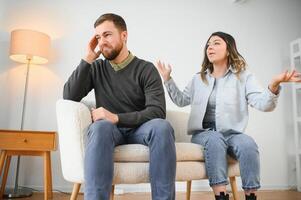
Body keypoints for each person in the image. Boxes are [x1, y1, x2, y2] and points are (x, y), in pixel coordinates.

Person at [156, 31, 301, 200]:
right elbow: (181, 100)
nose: (210, 47)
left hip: (232, 133)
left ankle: (251, 196)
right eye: (208, 44)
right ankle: (221, 196)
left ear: (229, 49)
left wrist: (274, 85)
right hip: (204, 134)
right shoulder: (198, 79)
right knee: (215, 140)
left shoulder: (244, 77)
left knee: (248, 144)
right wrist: (167, 79)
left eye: (216, 43)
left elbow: (264, 104)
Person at [63, 13, 176, 200]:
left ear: (124, 35)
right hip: (109, 131)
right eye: (98, 37)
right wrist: (87, 58)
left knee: (162, 127)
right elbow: (69, 96)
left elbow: (157, 111)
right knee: (100, 127)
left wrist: (117, 117)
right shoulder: (96, 68)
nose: (102, 42)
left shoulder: (145, 69)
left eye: (107, 35)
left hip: (140, 129)